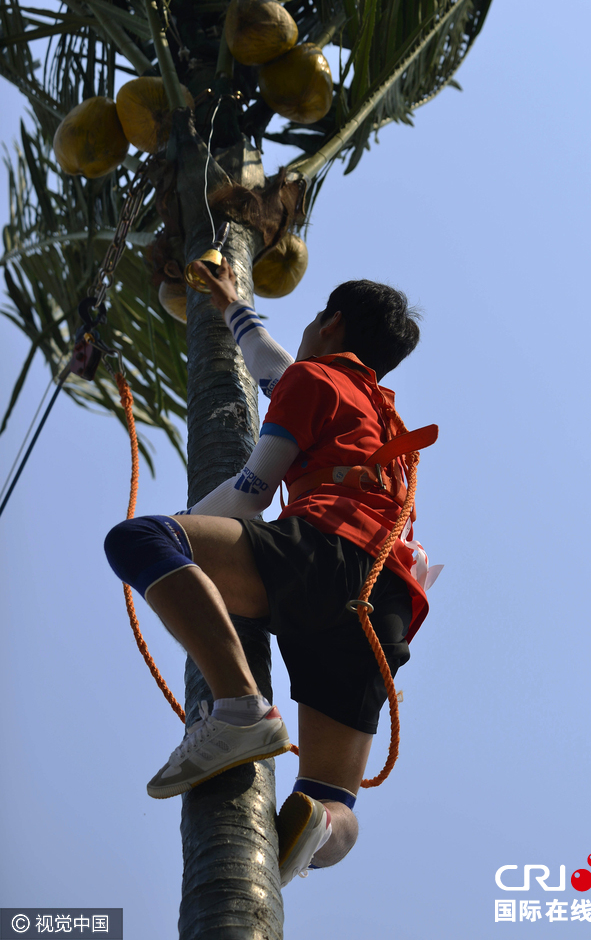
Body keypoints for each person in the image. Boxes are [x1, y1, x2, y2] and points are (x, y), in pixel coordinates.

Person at [104, 257, 440, 886]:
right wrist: (233, 304)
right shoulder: (373, 411)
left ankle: (239, 711)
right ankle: (320, 831)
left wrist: (187, 530)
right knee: (334, 798)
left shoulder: (313, 383)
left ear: (332, 322)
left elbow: (253, 491)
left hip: (327, 558)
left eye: (316, 316)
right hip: (385, 602)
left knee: (142, 540)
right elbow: (269, 364)